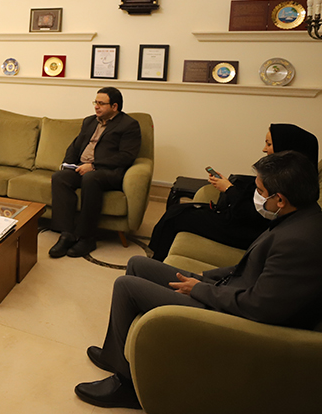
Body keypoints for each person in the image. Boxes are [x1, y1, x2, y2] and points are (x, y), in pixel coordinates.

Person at [74, 150, 322, 409]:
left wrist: (199, 290)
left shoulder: (300, 242)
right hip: (229, 292)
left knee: (126, 287)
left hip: (232, 315)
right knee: (138, 264)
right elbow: (249, 268)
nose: (256, 197)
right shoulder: (297, 218)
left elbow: (258, 306)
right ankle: (115, 355)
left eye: (260, 191)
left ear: (280, 199)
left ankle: (127, 386)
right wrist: (205, 277)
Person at [149, 123, 319, 260]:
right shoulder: (284, 175)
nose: (264, 149)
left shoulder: (289, 185)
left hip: (246, 230)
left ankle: (157, 260)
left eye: (269, 144)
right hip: (240, 218)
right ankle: (157, 257)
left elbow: (253, 215)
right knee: (179, 211)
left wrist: (228, 189)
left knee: (177, 216)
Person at [48, 88, 141, 258]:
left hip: (108, 172)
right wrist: (67, 164)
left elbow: (126, 156)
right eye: (95, 102)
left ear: (114, 106)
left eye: (101, 103)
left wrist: (94, 165)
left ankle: (87, 237)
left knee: (90, 178)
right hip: (82, 167)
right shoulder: (89, 121)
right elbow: (75, 146)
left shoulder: (129, 125)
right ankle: (67, 234)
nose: (96, 106)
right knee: (59, 178)